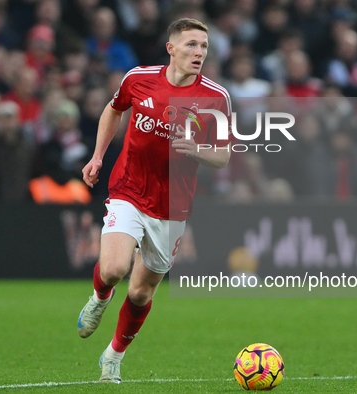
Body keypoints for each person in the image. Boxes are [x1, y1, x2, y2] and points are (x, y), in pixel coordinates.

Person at [77, 18, 231, 383]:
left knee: (142, 292)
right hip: (128, 189)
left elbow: (223, 155)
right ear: (171, 48)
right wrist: (98, 155)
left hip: (171, 205)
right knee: (114, 269)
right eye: (192, 45)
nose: (199, 53)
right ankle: (99, 297)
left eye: (204, 47)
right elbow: (114, 109)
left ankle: (113, 355)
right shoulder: (138, 78)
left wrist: (198, 149)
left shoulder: (215, 97)